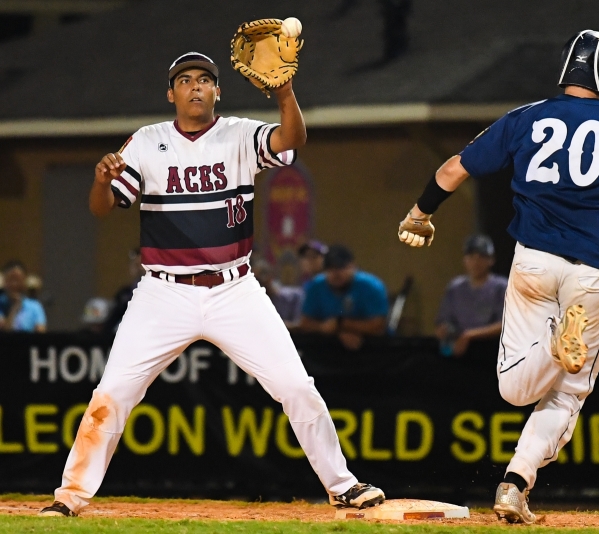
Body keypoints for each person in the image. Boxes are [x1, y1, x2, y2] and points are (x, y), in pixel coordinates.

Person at [39, 52, 383, 518]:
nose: (195, 86)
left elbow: (293, 138)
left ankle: (342, 485)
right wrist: (101, 182)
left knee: (296, 386)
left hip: (234, 289)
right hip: (163, 292)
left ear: (217, 91)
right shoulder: (147, 141)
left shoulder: (240, 133)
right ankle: (70, 496)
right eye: (185, 80)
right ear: (171, 93)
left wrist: (283, 92)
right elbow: (103, 208)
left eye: (205, 79)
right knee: (112, 392)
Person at [397, 31, 599, 524]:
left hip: (532, 263)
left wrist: (420, 212)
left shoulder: (527, 116)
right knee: (568, 391)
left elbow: (457, 167)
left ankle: (515, 483)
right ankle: (517, 478)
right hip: (592, 274)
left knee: (514, 389)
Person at [299, 244, 389, 351]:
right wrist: (328, 329)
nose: (336, 273)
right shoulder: (316, 286)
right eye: (330, 269)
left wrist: (341, 324)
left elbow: (378, 326)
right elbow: (305, 323)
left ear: (353, 266)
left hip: (372, 350)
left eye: (341, 267)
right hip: (328, 352)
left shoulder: (371, 286)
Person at [436, 234, 507, 356]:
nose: (476, 262)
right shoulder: (455, 288)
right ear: (464, 260)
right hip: (460, 352)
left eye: (481, 257)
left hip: (492, 352)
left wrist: (470, 335)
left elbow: (506, 324)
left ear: (491, 260)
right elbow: (443, 321)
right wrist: (444, 331)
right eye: (471, 257)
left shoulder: (501, 287)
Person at [252, 257, 304, 328]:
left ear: (270, 277)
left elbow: (300, 324)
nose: (257, 284)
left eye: (259, 279)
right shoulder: (253, 302)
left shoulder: (292, 297)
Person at [104, 248, 146, 333]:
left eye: (140, 265)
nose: (139, 269)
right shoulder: (124, 294)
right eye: (135, 265)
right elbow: (113, 320)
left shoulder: (159, 291)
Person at [0, 260, 47, 333]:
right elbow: (5, 332)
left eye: (18, 280)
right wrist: (15, 308)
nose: (14, 284)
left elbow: (41, 333)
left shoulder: (35, 306)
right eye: (11, 280)